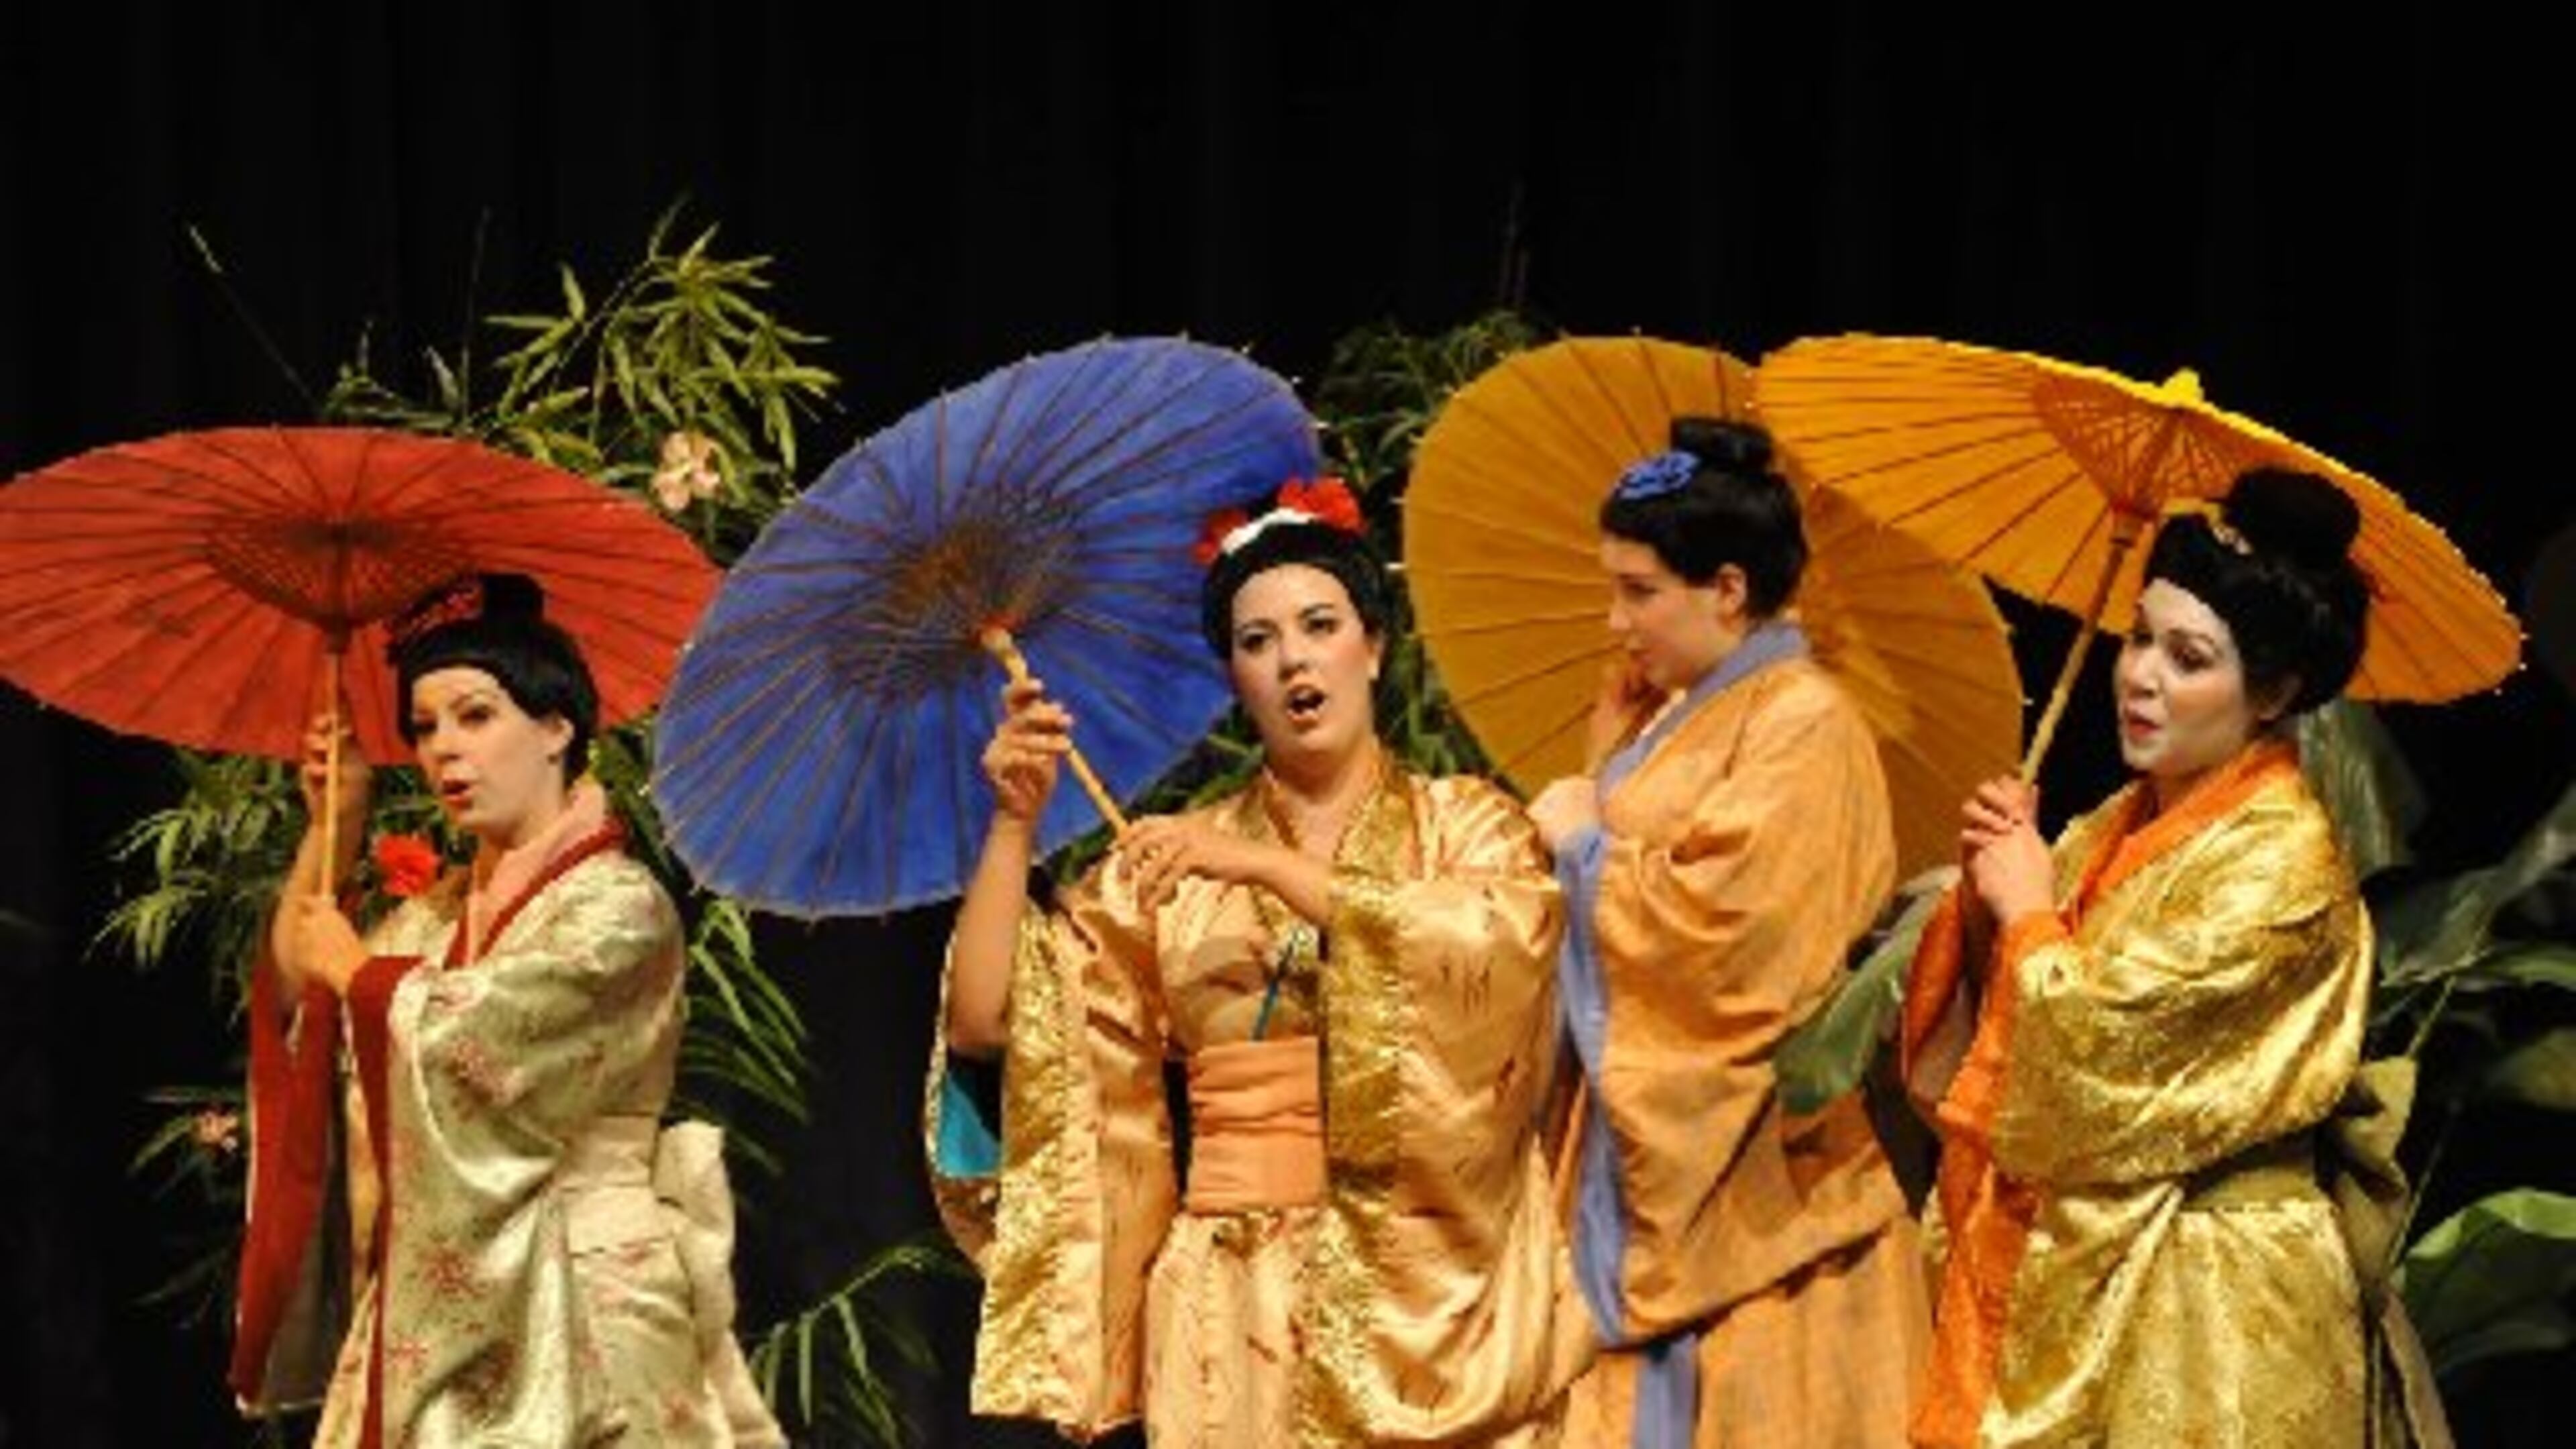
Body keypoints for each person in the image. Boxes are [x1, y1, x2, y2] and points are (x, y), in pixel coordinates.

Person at [928, 476, 1597, 1446]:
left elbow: (1493, 959)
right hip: (1228, 1300)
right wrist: (1013, 825)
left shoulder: (1467, 827)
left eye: (1320, 626)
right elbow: (992, 1025)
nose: (1293, 661)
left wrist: (1266, 869)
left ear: (1374, 645)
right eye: (1257, 642)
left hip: (1434, 1291)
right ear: (1233, 677)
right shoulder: (1173, 858)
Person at [231, 572, 782, 1447]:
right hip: (444, 1300)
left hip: (588, 1292)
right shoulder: (437, 918)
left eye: (476, 716)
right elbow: (308, 993)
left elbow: (469, 1033)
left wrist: (362, 979)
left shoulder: (617, 908)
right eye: (424, 727)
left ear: (557, 728)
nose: (444, 748)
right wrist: (333, 827)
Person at [1898, 468, 2383, 1446]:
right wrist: (1993, 909)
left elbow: (2106, 1059)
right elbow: (2016, 1025)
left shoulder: (2285, 864)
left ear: (2275, 692)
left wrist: (2030, 912)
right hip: (2084, 1256)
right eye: (2139, 638)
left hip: (2204, 1284)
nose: (2142, 677)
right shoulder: (2110, 825)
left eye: (2189, 657)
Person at [1525, 417, 1931, 1447]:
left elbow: (1737, 942)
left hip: (1757, 1182)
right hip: (1634, 1142)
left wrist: (1585, 853)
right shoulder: (1668, 708)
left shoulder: (1806, 722)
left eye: (1639, 591)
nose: (1617, 621)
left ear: (1730, 590)